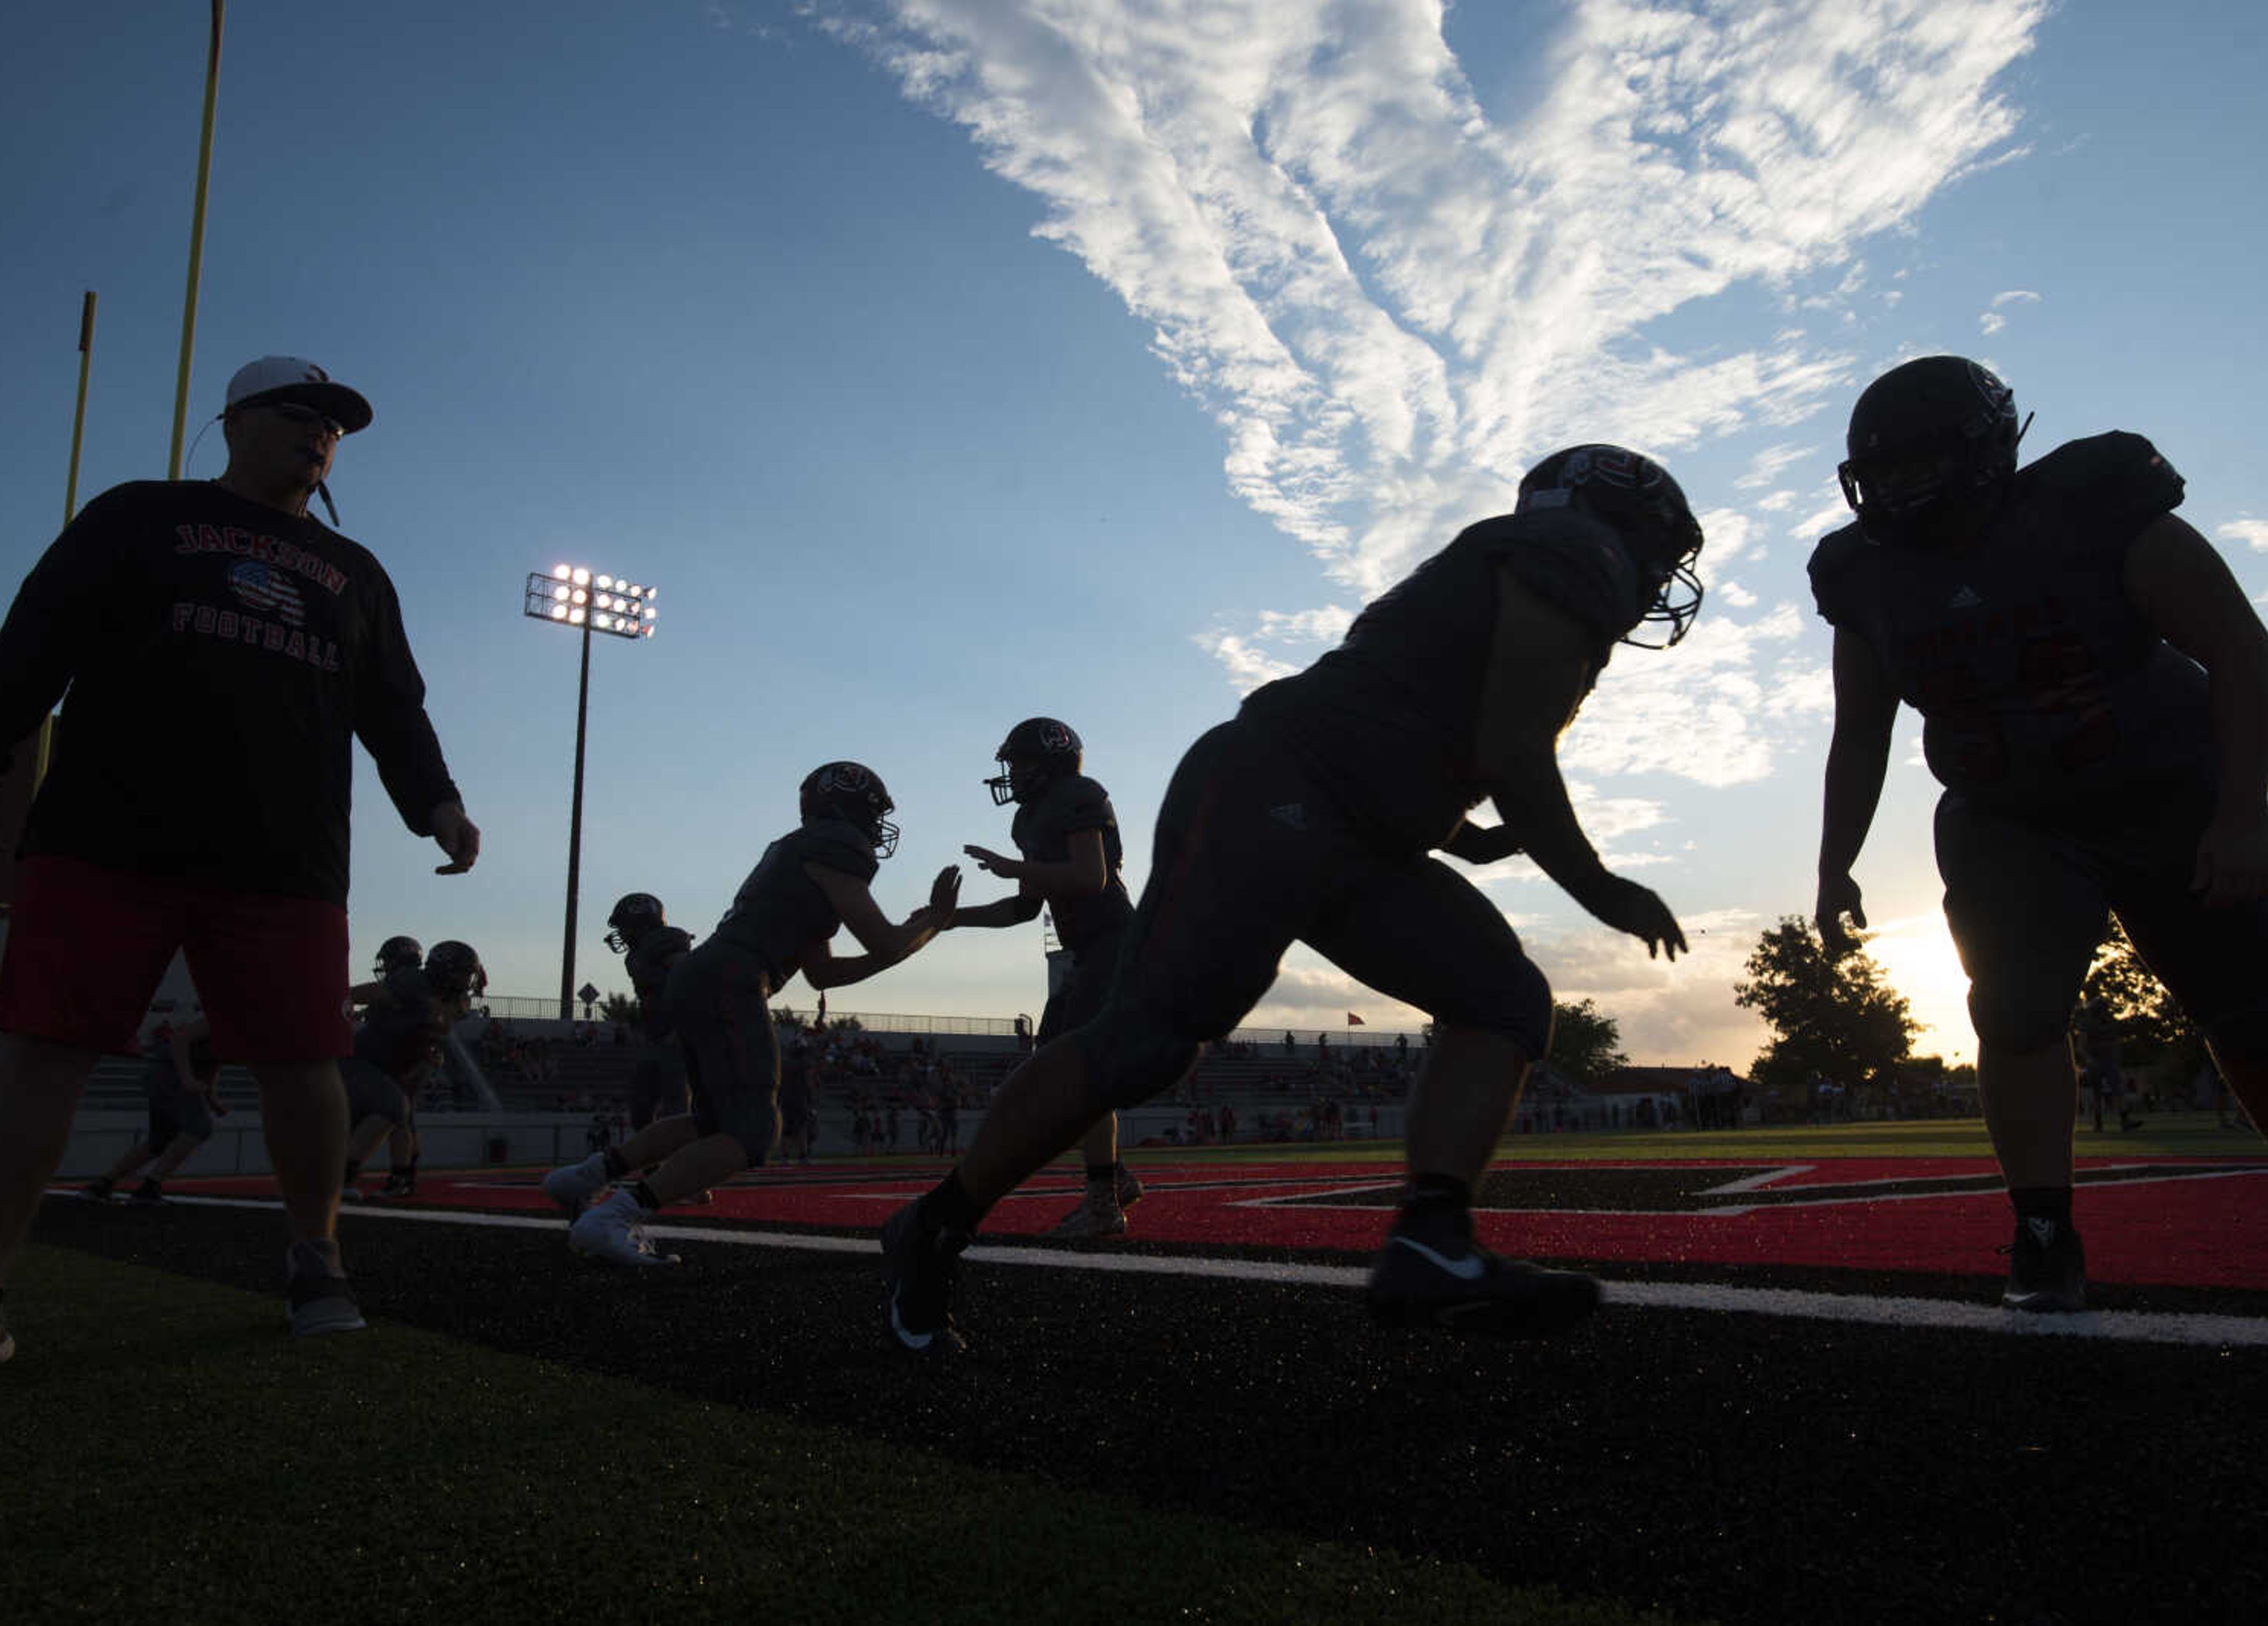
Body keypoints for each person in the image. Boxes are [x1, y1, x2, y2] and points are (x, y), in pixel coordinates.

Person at [880, 444, 1704, 1354]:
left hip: (1346, 823)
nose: (1661, 574)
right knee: (1144, 1043)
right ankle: (937, 1221)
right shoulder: (1571, 547)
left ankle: (1433, 1240)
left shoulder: (1518, 567)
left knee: (1501, 996)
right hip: (1276, 793)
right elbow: (1510, 745)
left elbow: (1417, 724)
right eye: (1662, 545)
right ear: (1617, 515)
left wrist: (1471, 833)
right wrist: (1599, 885)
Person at [0, 356, 481, 1392]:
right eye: (297, 413)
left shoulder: (356, 572)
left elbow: (396, 707)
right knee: (44, 1049)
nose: (319, 433)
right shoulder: (140, 517)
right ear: (233, 423)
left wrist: (436, 801)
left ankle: (315, 1257)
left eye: (334, 425)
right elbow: (36, 637)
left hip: (283, 855)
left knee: (305, 1063)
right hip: (107, 830)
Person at [1809, 355, 2268, 1312]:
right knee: (2011, 1011)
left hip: (2169, 790)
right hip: (2010, 813)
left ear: (1982, 452)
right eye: (1878, 472)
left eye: (1912, 464)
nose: (1893, 490)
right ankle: (2043, 1230)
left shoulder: (2095, 509)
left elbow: (2242, 652)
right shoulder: (1868, 575)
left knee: (2255, 1017)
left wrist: (2240, 811)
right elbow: (1862, 729)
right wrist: (1834, 864)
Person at [544, 763, 959, 1264]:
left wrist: (910, 934)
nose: (876, 827)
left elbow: (823, 973)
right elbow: (886, 942)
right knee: (752, 1132)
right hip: (731, 979)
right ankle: (612, 1216)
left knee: (710, 1119)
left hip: (708, 975)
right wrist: (933, 922)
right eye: (872, 813)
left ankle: (585, 1177)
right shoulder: (833, 847)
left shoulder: (798, 855)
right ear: (848, 810)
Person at [945, 718, 1148, 1237]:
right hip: (1088, 954)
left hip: (1113, 943)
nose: (1013, 773)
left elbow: (1089, 877)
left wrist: (1016, 868)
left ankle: (1104, 1198)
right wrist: (952, 918)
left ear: (1050, 760)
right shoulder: (1032, 818)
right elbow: (1023, 907)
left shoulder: (1080, 794)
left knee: (1077, 1072)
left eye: (1021, 762)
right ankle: (1113, 1176)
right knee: (1053, 1072)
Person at [342, 940, 483, 1199]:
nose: (468, 980)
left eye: (469, 974)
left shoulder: (452, 999)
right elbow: (371, 994)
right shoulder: (413, 983)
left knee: (401, 1119)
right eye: (463, 973)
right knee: (393, 1109)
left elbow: (448, 1015)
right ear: (446, 970)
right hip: (365, 1062)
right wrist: (338, 998)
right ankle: (342, 1178)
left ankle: (401, 1179)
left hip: (399, 1066)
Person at [79, 1018, 225, 1205]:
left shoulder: (232, 1034)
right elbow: (179, 1040)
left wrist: (212, 1100)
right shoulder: (221, 1022)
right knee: (200, 1127)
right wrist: (187, 1078)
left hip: (162, 1074)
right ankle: (149, 1186)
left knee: (160, 1140)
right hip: (168, 1073)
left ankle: (102, 1184)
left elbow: (210, 1067)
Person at [597, 893, 695, 1137]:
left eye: (625, 926)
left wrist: (681, 1027)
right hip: (656, 1036)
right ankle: (653, 1160)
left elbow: (688, 980)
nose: (621, 933)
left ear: (641, 923)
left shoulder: (665, 944)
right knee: (641, 1106)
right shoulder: (638, 954)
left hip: (677, 1034)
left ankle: (680, 1161)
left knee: (676, 1104)